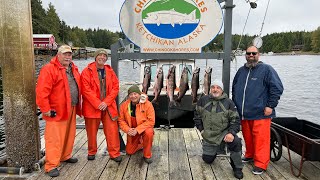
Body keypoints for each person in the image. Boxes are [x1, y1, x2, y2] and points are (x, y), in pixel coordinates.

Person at [232, 45, 284, 175]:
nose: (251, 55)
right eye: (248, 53)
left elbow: (277, 88)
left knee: (261, 140)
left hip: (261, 113)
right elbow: (234, 88)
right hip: (244, 113)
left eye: (253, 53)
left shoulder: (266, 69)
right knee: (247, 137)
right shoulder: (241, 71)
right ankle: (250, 155)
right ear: (245, 55)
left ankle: (261, 163)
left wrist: (270, 106)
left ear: (258, 54)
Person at [36, 45, 81, 177]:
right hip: (56, 110)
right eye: (65, 54)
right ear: (58, 55)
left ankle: (65, 155)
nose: (68, 57)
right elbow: (41, 92)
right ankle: (51, 165)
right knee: (54, 138)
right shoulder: (49, 69)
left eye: (70, 54)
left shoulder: (73, 68)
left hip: (71, 107)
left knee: (69, 134)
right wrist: (46, 109)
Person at [194, 80, 244, 179]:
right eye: (213, 87)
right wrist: (202, 130)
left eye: (218, 88)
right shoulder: (203, 100)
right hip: (208, 136)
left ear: (222, 90)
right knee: (207, 160)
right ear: (210, 89)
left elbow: (236, 121)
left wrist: (231, 133)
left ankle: (237, 167)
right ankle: (215, 149)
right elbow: (196, 117)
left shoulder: (229, 103)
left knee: (236, 142)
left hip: (224, 134)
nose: (215, 89)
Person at [81, 49, 122, 162]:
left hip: (108, 106)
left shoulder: (110, 71)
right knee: (91, 131)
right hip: (92, 106)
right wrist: (98, 104)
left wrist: (106, 102)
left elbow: (115, 87)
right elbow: (86, 90)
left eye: (105, 56)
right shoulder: (86, 72)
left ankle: (114, 153)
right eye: (100, 55)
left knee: (112, 130)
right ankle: (91, 151)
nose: (102, 57)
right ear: (95, 57)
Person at [118, 85, 155, 164]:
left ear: (139, 94)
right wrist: (128, 129)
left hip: (144, 129)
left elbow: (151, 121)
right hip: (132, 130)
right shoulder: (124, 106)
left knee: (149, 132)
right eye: (131, 94)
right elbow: (121, 120)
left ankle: (147, 155)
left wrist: (138, 130)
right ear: (128, 96)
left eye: (135, 94)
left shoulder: (148, 104)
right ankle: (142, 144)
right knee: (129, 151)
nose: (133, 96)